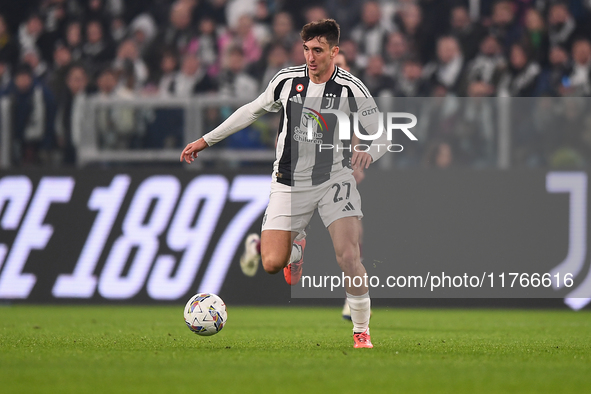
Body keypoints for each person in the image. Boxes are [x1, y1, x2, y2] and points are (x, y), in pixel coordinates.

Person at [180, 19, 387, 349]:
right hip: (289, 182)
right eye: (306, 49)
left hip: (334, 180)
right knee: (272, 264)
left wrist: (367, 153)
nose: (310, 56)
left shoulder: (351, 88)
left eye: (317, 50)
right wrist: (207, 140)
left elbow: (382, 134)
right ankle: (295, 249)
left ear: (334, 52)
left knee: (349, 256)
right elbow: (251, 111)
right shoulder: (287, 81)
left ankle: (361, 332)